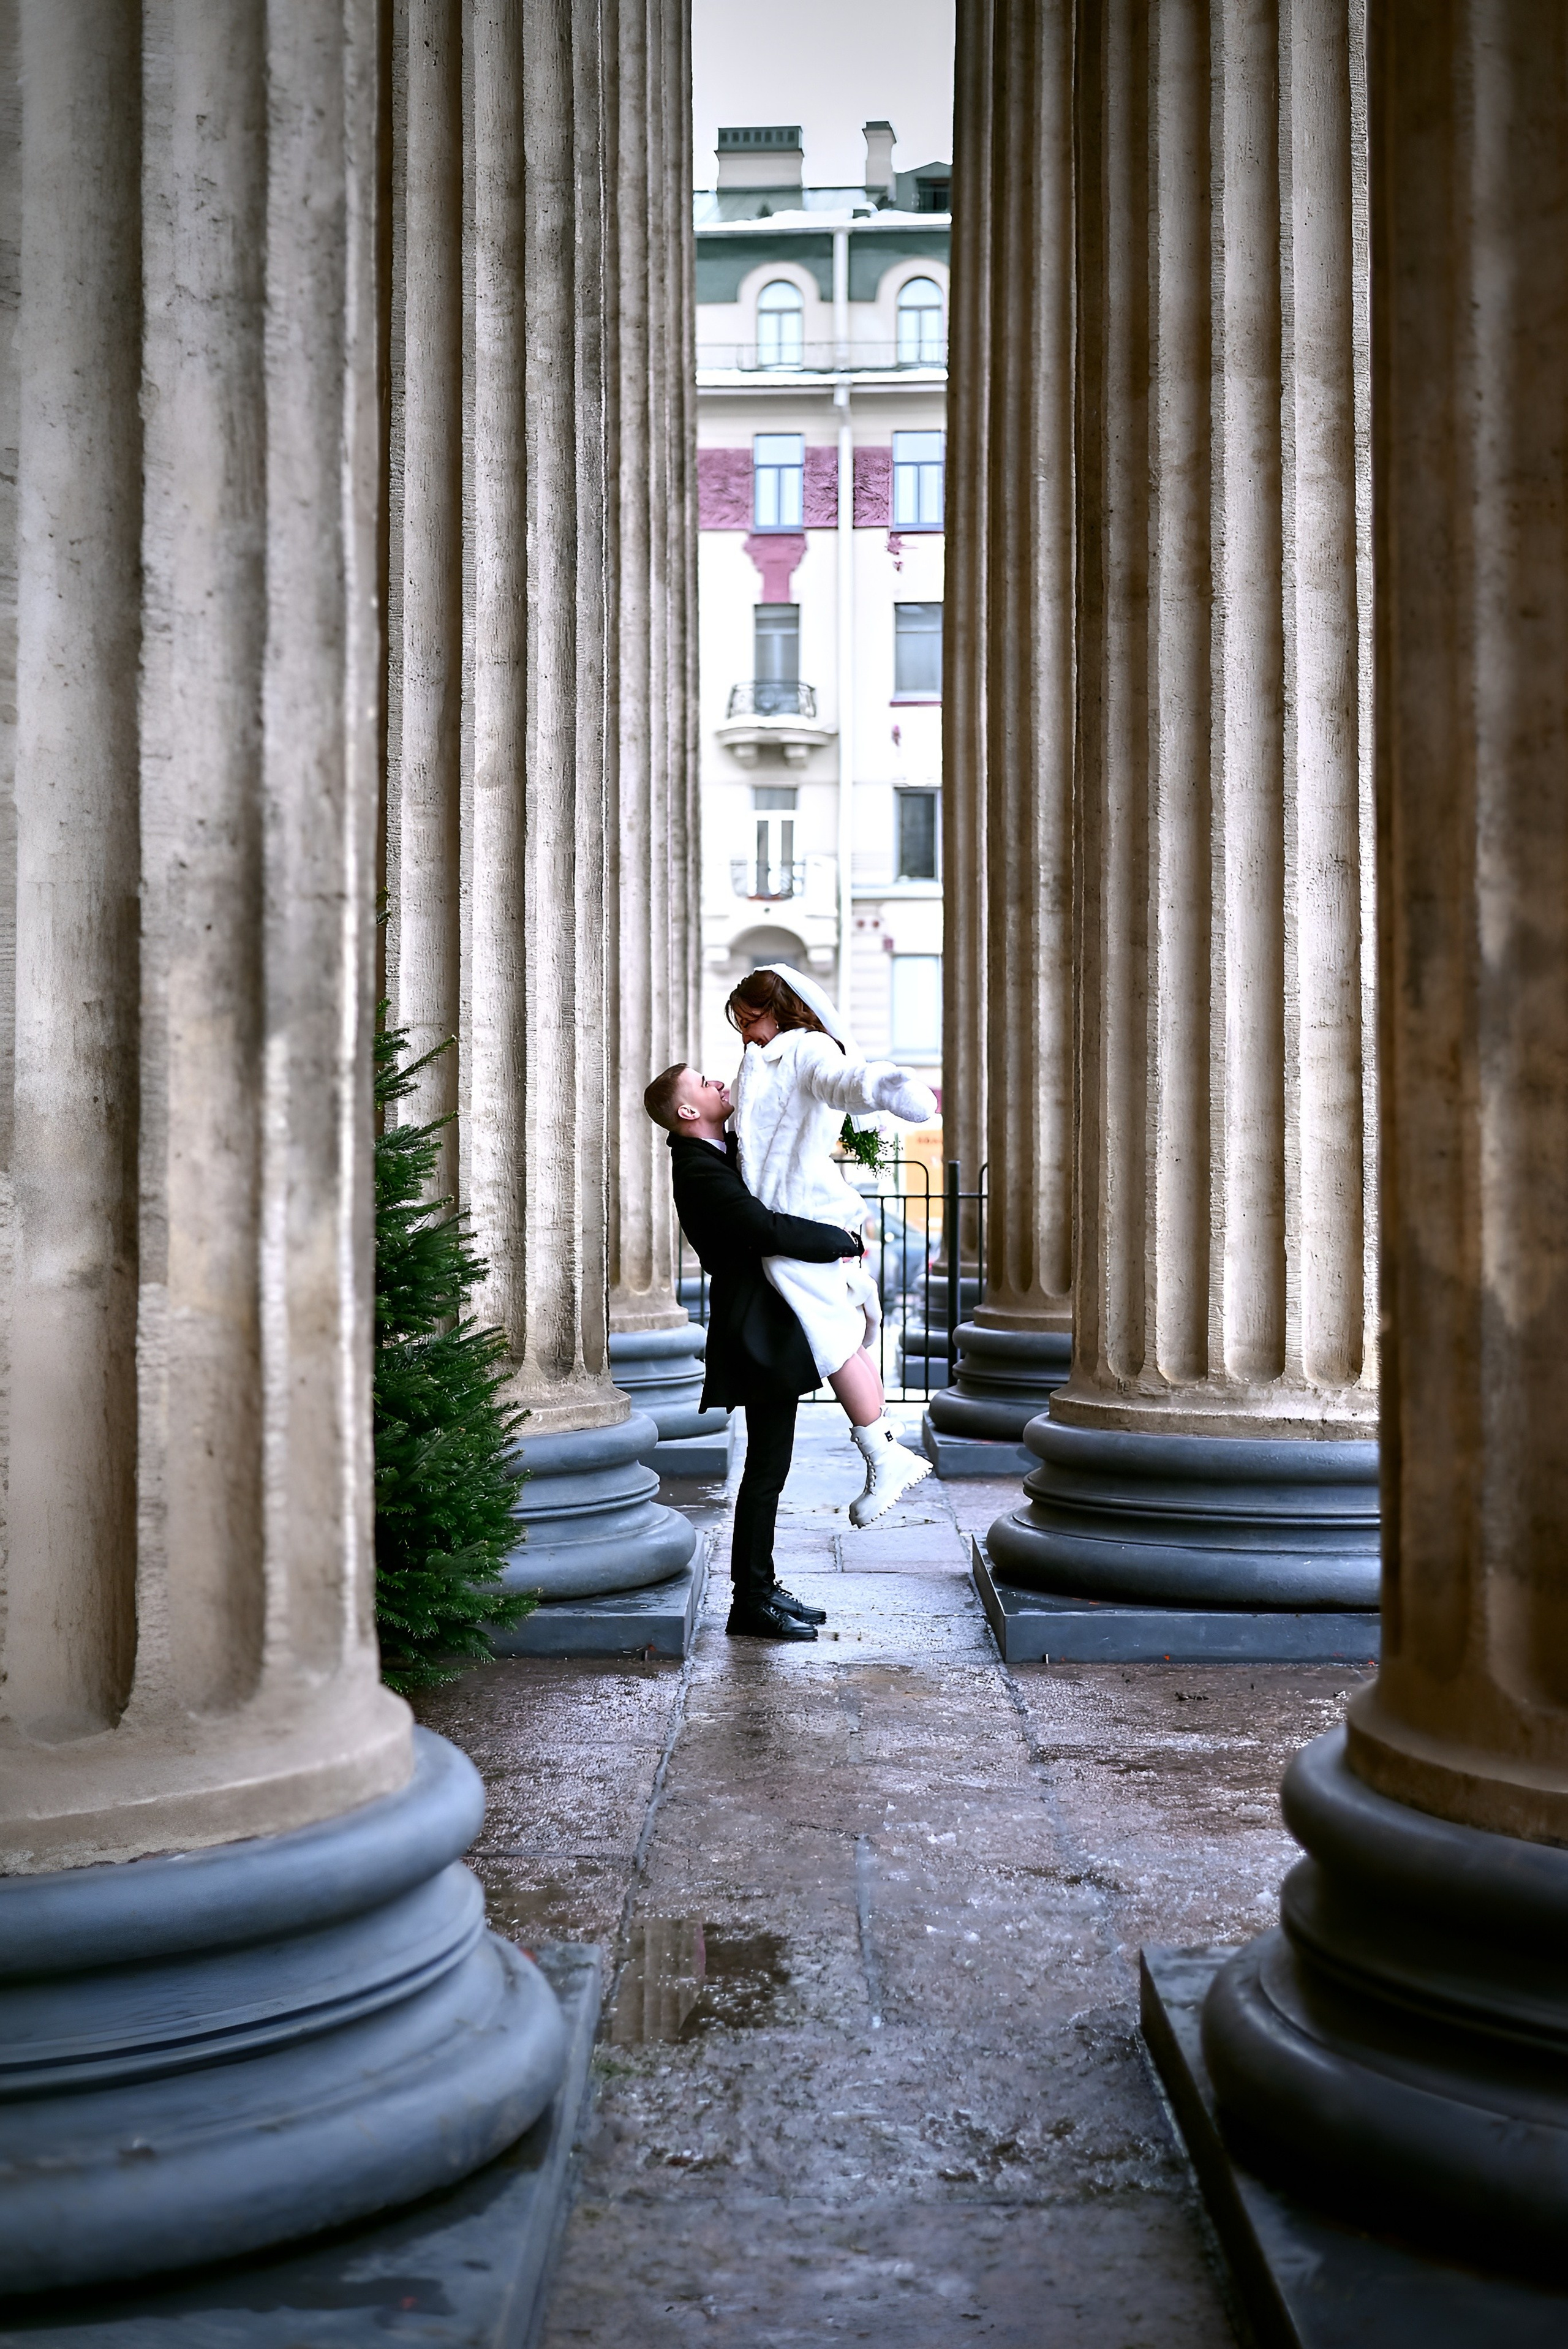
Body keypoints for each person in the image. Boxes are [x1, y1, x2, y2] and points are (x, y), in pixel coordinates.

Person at [644, 1060, 865, 1643]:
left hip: (767, 1321)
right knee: (766, 1469)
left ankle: (761, 1588)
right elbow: (763, 1227)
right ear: (688, 1111)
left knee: (771, 1466)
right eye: (704, 1084)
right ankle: (751, 1600)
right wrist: (839, 1241)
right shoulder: (695, 1168)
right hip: (753, 1330)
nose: (719, 1083)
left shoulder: (726, 1148)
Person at [726, 963, 937, 1528]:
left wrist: (887, 1087)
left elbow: (843, 1080)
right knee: (840, 1336)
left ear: (775, 1009)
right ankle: (884, 1448)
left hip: (800, 1214)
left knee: (831, 1337)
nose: (745, 1031)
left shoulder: (805, 1048)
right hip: (790, 1215)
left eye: (749, 1019)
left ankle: (883, 1454)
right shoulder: (762, 1058)